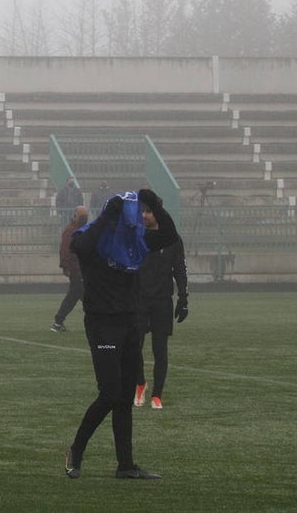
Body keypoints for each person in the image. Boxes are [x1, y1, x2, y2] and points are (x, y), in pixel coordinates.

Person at [64, 189, 178, 481]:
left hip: (130, 322)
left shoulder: (133, 243)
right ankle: (76, 450)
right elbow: (81, 246)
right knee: (109, 393)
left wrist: (157, 204)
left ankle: (125, 465)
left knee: (125, 397)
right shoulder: (93, 239)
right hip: (102, 323)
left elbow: (168, 236)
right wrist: (106, 216)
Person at [134, 237, 189, 409]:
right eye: (144, 210)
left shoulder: (172, 239)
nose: (146, 214)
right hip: (139, 300)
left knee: (160, 349)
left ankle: (157, 394)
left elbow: (180, 268)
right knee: (134, 346)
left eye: (150, 211)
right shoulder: (136, 235)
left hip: (162, 301)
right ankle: (140, 383)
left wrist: (183, 298)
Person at [51, 206, 88, 333]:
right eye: (82, 217)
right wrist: (65, 266)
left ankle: (58, 321)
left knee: (73, 296)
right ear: (75, 216)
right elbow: (65, 250)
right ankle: (100, 319)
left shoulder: (80, 230)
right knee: (86, 296)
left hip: (80, 268)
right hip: (76, 269)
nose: (84, 219)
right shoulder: (71, 231)